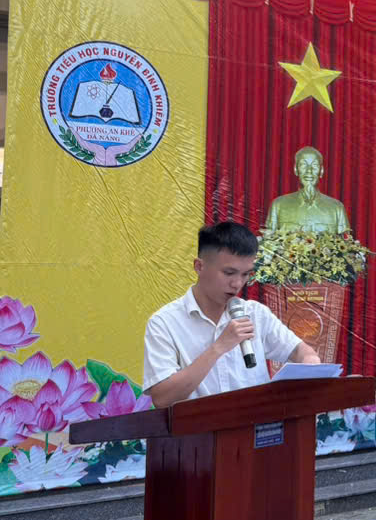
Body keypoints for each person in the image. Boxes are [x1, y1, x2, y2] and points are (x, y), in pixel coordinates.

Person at [143, 222, 321, 409]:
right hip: (199, 426)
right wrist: (219, 347)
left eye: (245, 274)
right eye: (229, 273)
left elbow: (301, 351)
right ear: (199, 266)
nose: (237, 284)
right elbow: (162, 398)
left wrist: (310, 362)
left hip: (256, 425)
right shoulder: (164, 323)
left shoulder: (255, 314)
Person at [264, 146, 352, 233]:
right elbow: (268, 240)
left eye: (314, 165)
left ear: (321, 171)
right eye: (303, 165)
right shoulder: (278, 205)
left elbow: (346, 240)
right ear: (296, 170)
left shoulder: (337, 208)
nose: (309, 170)